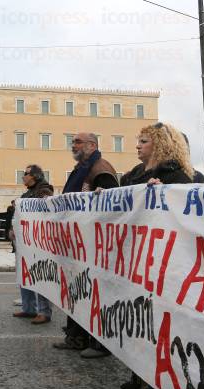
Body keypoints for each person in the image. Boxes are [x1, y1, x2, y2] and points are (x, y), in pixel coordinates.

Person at [118, 122, 194, 389]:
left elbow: (187, 214)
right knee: (138, 319)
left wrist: (165, 195)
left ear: (161, 144)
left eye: (144, 141)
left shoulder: (180, 177)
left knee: (159, 322)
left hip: (164, 263)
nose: (138, 145)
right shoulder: (133, 175)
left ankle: (159, 378)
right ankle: (138, 372)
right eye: (138, 140)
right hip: (135, 260)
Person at [52, 132, 119, 359]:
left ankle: (100, 343)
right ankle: (76, 336)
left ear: (92, 145)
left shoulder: (100, 168)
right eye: (73, 142)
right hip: (76, 243)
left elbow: (111, 207)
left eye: (78, 142)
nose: (74, 145)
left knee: (94, 294)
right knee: (77, 291)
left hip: (92, 245)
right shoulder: (82, 167)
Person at [12, 165, 54, 325]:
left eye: (26, 174)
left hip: (39, 242)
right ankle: (29, 308)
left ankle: (44, 311)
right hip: (25, 241)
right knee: (25, 273)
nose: (23, 176)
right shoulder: (27, 193)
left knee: (40, 274)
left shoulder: (44, 190)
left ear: (35, 176)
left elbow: (47, 208)